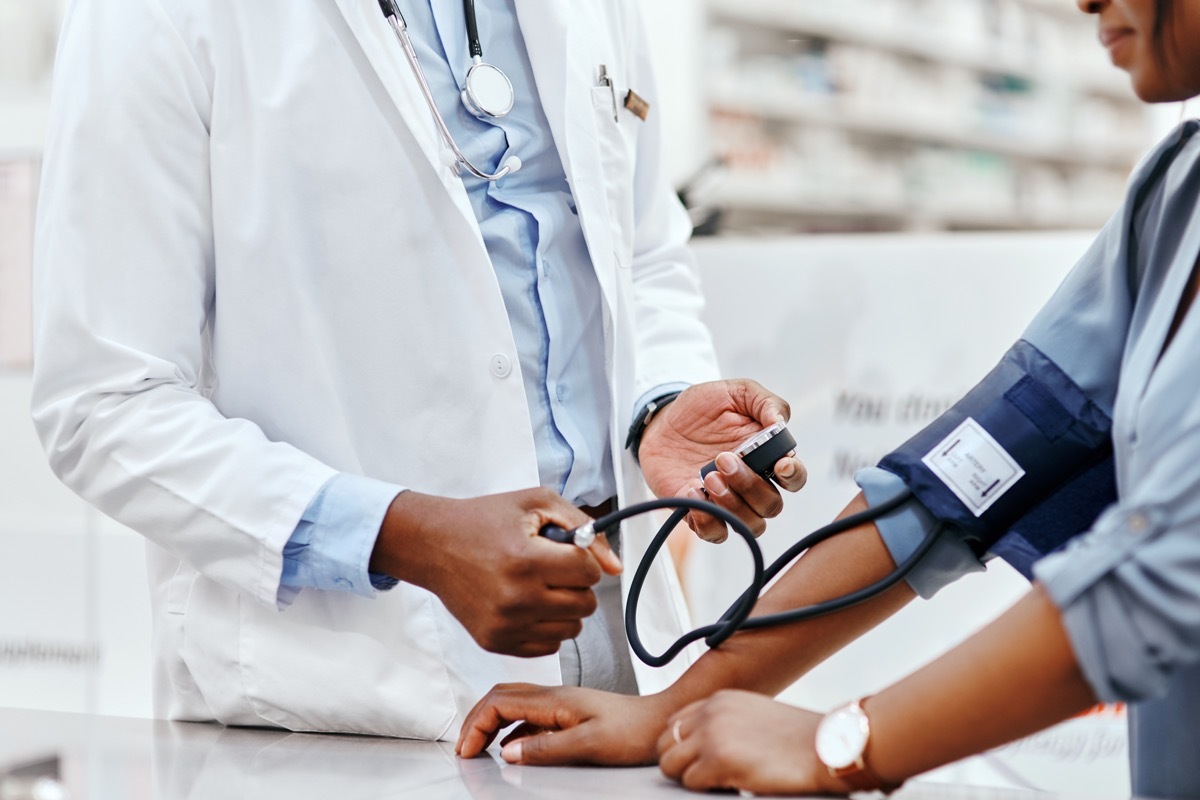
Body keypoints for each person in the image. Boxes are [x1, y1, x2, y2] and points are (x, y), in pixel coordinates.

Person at [456, 0, 1200, 796]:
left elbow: (1168, 573)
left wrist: (847, 743)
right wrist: (676, 705)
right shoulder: (1174, 197)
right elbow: (959, 477)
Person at [29, 0, 806, 738]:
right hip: (344, 688)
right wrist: (406, 537)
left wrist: (657, 404)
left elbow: (642, 250)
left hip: (610, 630)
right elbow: (103, 401)